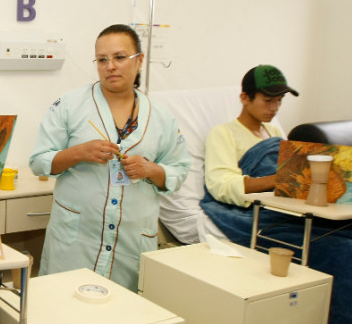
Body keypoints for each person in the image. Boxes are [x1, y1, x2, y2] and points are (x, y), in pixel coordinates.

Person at [29, 24, 190, 291]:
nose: (110, 66)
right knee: (64, 302)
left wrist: (150, 169)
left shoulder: (162, 117)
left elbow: (179, 169)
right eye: (102, 60)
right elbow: (38, 161)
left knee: (122, 309)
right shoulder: (70, 105)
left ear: (139, 60)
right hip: (78, 239)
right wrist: (79, 152)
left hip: (131, 240)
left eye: (119, 57)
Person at [204, 64, 299, 207]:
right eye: (268, 100)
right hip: (256, 208)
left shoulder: (274, 132)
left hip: (285, 203)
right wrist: (280, 179)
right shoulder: (224, 133)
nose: (274, 108)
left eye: (279, 100)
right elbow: (221, 185)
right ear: (245, 98)